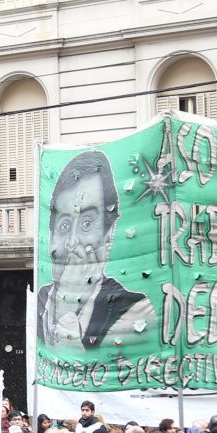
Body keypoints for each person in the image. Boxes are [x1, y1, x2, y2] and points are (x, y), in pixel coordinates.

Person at [37, 149, 153, 349]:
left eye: (87, 223)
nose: (72, 242)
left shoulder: (135, 309)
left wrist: (66, 312)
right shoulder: (43, 298)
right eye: (64, 226)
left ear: (108, 234)